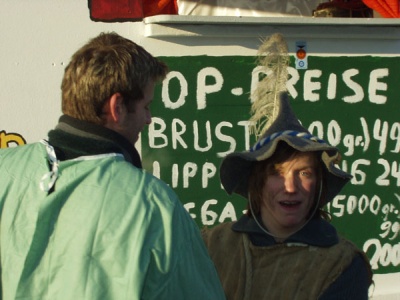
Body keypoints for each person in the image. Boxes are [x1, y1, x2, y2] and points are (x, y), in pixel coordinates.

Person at [0, 32, 225, 299]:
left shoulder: (5, 168)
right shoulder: (155, 205)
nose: (149, 119)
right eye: (146, 106)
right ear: (117, 107)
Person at [202, 92, 373, 299]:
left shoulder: (341, 264)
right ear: (258, 183)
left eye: (304, 173)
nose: (290, 187)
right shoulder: (213, 246)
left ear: (319, 184)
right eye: (276, 173)